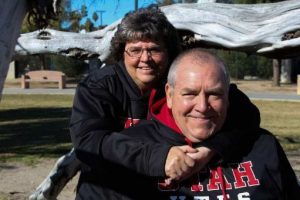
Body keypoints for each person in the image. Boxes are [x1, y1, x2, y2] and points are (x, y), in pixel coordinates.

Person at [31, 5, 260, 200]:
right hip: (112, 190)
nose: (145, 59)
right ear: (121, 53)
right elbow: (89, 142)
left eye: (154, 49)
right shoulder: (99, 87)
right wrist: (161, 158)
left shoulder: (181, 79)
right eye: (135, 50)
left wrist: (209, 149)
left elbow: (244, 112)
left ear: (169, 52)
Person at [81, 48, 300, 199]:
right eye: (190, 94)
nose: (203, 106)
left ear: (228, 96)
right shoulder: (128, 150)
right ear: (169, 94)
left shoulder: (262, 146)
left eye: (214, 94)